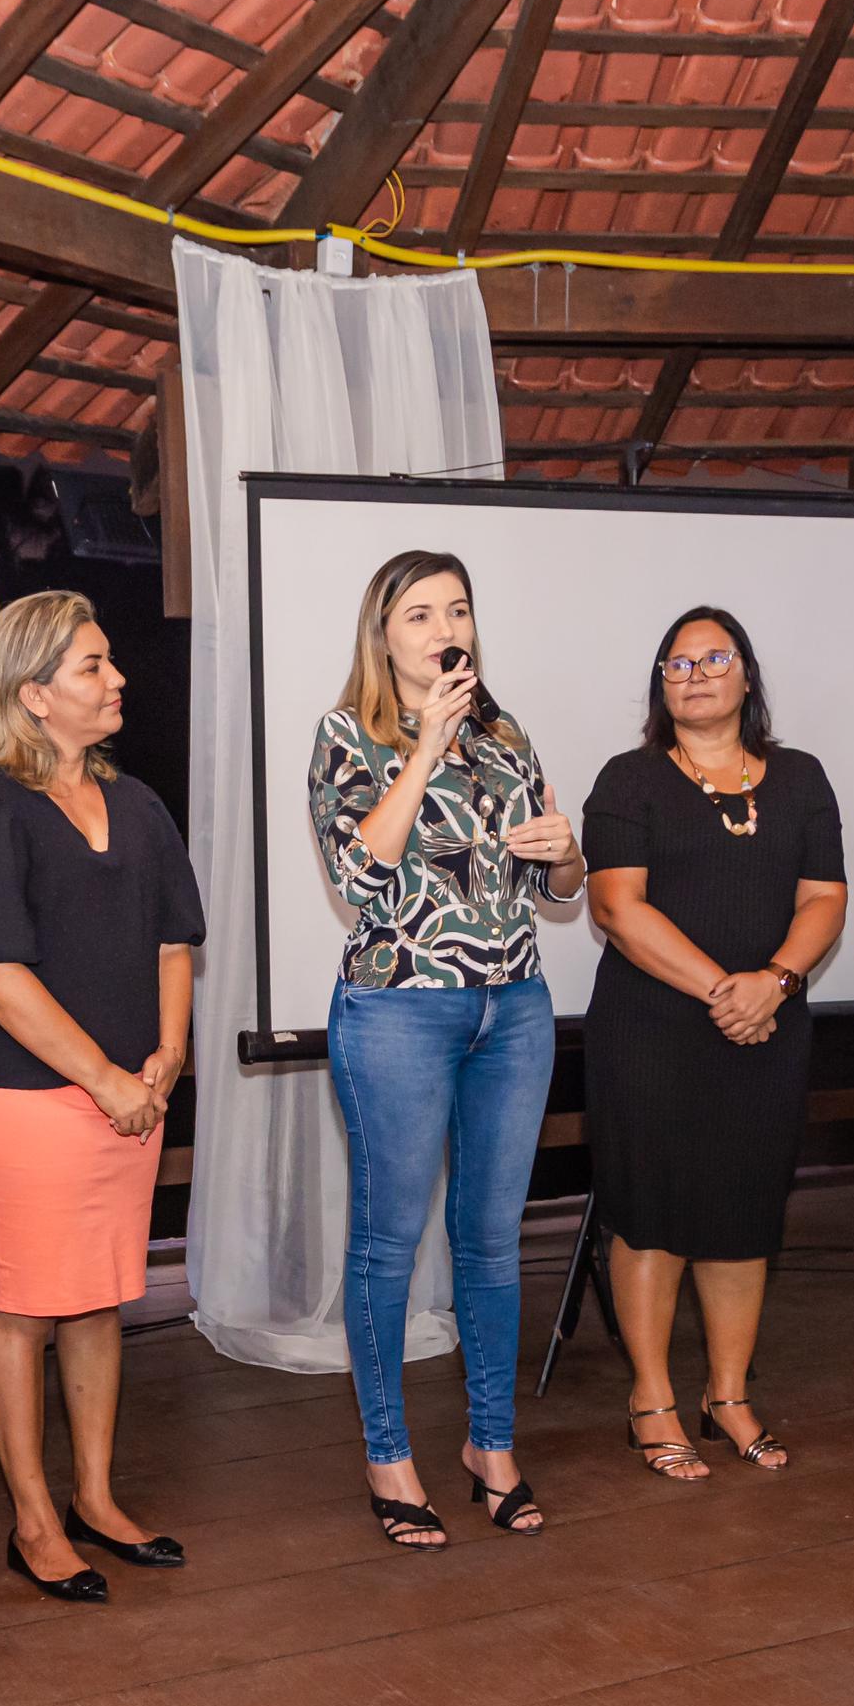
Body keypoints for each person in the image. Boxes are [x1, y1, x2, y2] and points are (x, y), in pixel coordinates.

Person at [0, 592, 205, 1600]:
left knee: (98, 1295)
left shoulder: (138, 803)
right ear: (33, 693)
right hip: (28, 1099)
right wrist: (108, 1080)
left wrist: (167, 1055)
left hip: (133, 1095)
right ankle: (34, 1521)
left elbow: (175, 940)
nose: (116, 678)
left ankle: (95, 1497)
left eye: (108, 659)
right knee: (26, 1305)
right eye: (92, 665)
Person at [309, 550, 586, 1546]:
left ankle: (490, 1446)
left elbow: (555, 892)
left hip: (512, 1009)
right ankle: (388, 1455)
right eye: (419, 613)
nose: (443, 629)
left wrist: (568, 855)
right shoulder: (345, 735)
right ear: (382, 636)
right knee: (386, 1241)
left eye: (456, 610)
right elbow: (358, 880)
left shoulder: (505, 736)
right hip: (397, 1011)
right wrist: (423, 746)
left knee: (491, 1238)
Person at [581, 609, 848, 1479]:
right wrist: (728, 992)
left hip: (768, 1028)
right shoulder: (629, 779)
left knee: (744, 1212)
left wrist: (774, 982)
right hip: (652, 1033)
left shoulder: (801, 777)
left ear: (747, 675)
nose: (694, 675)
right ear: (661, 684)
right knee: (652, 1213)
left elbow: (825, 898)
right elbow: (617, 907)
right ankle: (652, 1399)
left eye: (713, 658)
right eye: (677, 663)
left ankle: (728, 1395)